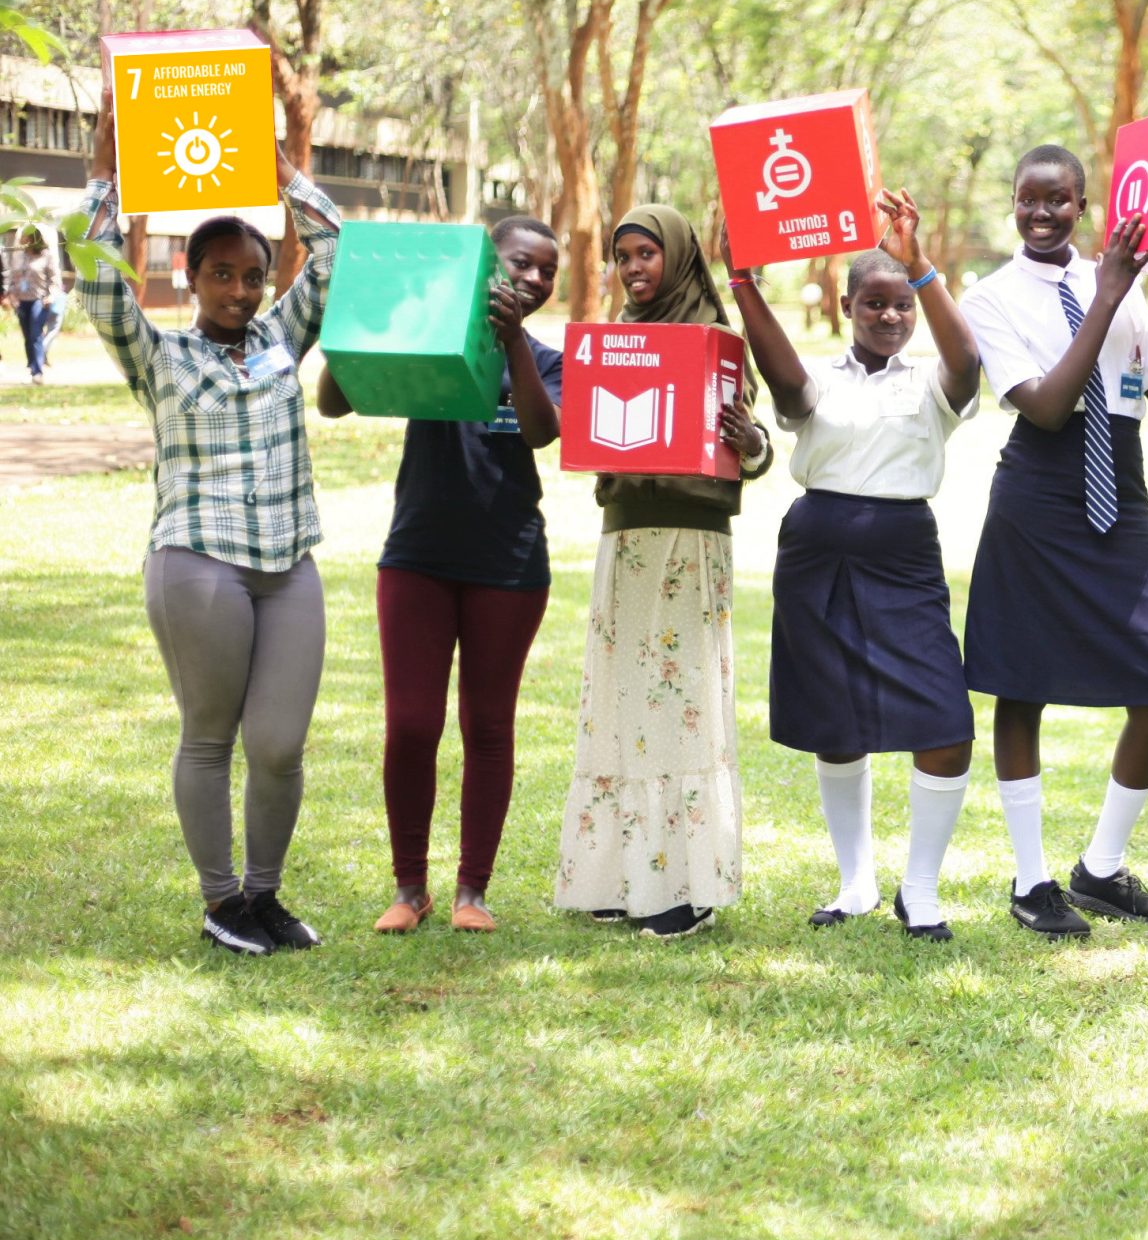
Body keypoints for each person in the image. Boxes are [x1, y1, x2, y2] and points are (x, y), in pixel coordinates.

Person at [961, 144, 1148, 937]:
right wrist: (1108, 293)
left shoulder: (1121, 289)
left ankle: (1099, 868)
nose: (1042, 213)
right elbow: (1050, 407)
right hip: (1038, 495)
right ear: (1013, 203)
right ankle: (1032, 883)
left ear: (1083, 205)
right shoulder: (990, 299)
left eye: (1059, 200)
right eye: (1029, 199)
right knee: (1021, 686)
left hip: (1120, 497)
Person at [73, 88, 339, 956]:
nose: (238, 288)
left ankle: (265, 896)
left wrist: (284, 172)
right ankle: (221, 899)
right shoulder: (161, 353)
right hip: (198, 563)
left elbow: (333, 257)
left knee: (280, 742)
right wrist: (108, 177)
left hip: (286, 562)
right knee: (211, 734)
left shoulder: (279, 338)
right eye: (220, 273)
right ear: (190, 278)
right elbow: (102, 289)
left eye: (251, 273)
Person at [727, 191, 981, 940]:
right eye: (875, 304)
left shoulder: (933, 384)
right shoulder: (823, 381)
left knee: (945, 718)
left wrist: (921, 267)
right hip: (816, 551)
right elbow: (784, 384)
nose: (891, 317)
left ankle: (922, 889)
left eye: (901, 305)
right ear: (847, 306)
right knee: (835, 722)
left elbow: (967, 364)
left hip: (904, 557)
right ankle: (856, 881)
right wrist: (744, 283)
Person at [316, 216, 565, 936]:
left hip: (509, 564)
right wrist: (366, 313)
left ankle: (472, 893)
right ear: (488, 263)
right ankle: (409, 885)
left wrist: (513, 335)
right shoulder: (425, 331)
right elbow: (334, 400)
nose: (535, 280)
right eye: (522, 263)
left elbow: (542, 431)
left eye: (548, 272)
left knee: (488, 726)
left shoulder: (546, 357)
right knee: (413, 724)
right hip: (418, 556)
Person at [554, 204, 773, 941]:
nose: (635, 268)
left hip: (689, 537)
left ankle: (683, 885)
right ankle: (618, 875)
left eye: (648, 253)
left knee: (679, 707)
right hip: (626, 539)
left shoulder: (715, 338)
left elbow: (756, 441)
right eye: (625, 257)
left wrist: (753, 441)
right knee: (620, 702)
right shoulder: (614, 342)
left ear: (677, 256)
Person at [11, 229, 60, 384]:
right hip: (21, 300)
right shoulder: (19, 255)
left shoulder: (46, 255)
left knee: (35, 334)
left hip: (39, 300)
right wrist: (12, 296)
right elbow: (14, 277)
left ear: (32, 237)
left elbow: (54, 279)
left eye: (24, 235)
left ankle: (37, 372)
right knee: (27, 336)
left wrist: (51, 295)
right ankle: (32, 367)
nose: (21, 238)